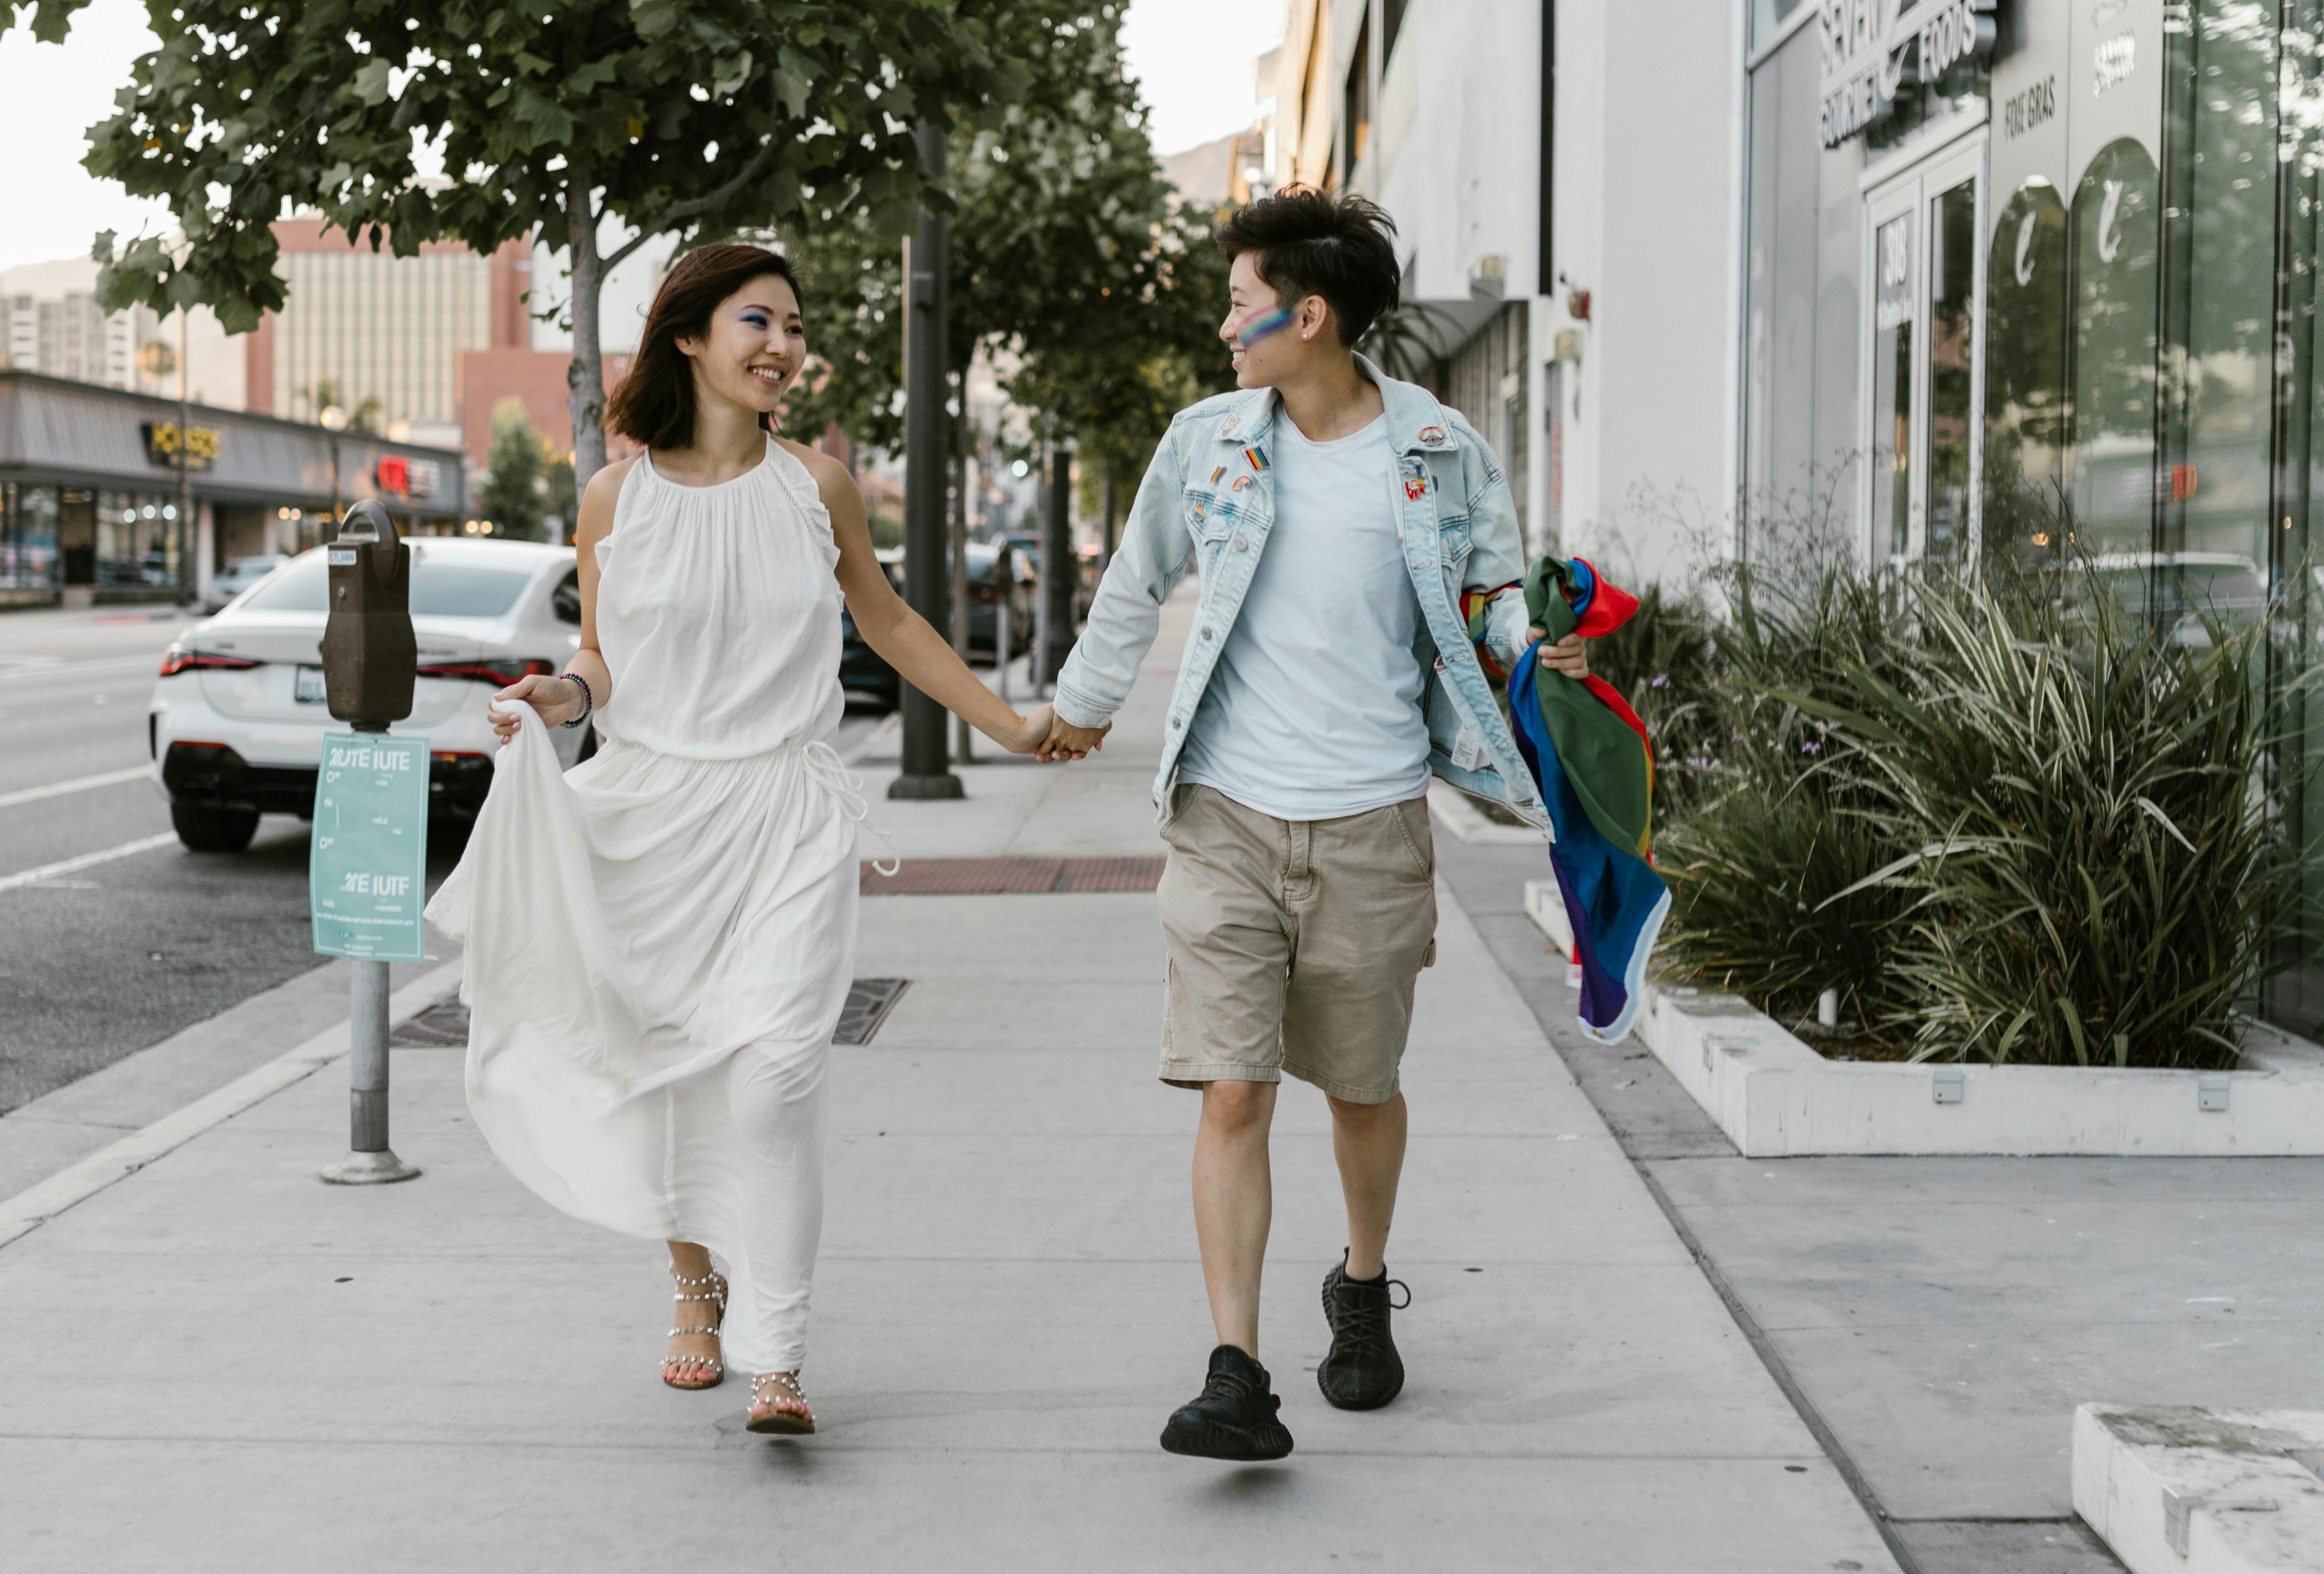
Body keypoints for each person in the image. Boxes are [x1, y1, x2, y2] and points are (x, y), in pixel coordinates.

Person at [442, 242, 1065, 1437]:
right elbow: (601, 660)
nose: (781, 344)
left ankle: (776, 1353)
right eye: (756, 320)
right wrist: (554, 701)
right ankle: (692, 1282)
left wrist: (1012, 723)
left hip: (783, 812)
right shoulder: (613, 497)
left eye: (793, 324)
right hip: (651, 811)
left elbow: (886, 620)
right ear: (688, 333)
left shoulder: (814, 487)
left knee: (775, 1072)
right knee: (672, 1058)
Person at [1041, 186, 1583, 1462]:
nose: (1226, 327)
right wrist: (1075, 708)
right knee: (1232, 1088)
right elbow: (1136, 584)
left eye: (1242, 305)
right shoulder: (1208, 442)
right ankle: (1234, 1366)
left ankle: (1358, 1279)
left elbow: (1489, 594)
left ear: (1312, 313)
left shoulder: (1442, 448)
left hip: (1373, 815)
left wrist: (1532, 647)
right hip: (1226, 811)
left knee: (1357, 1085)